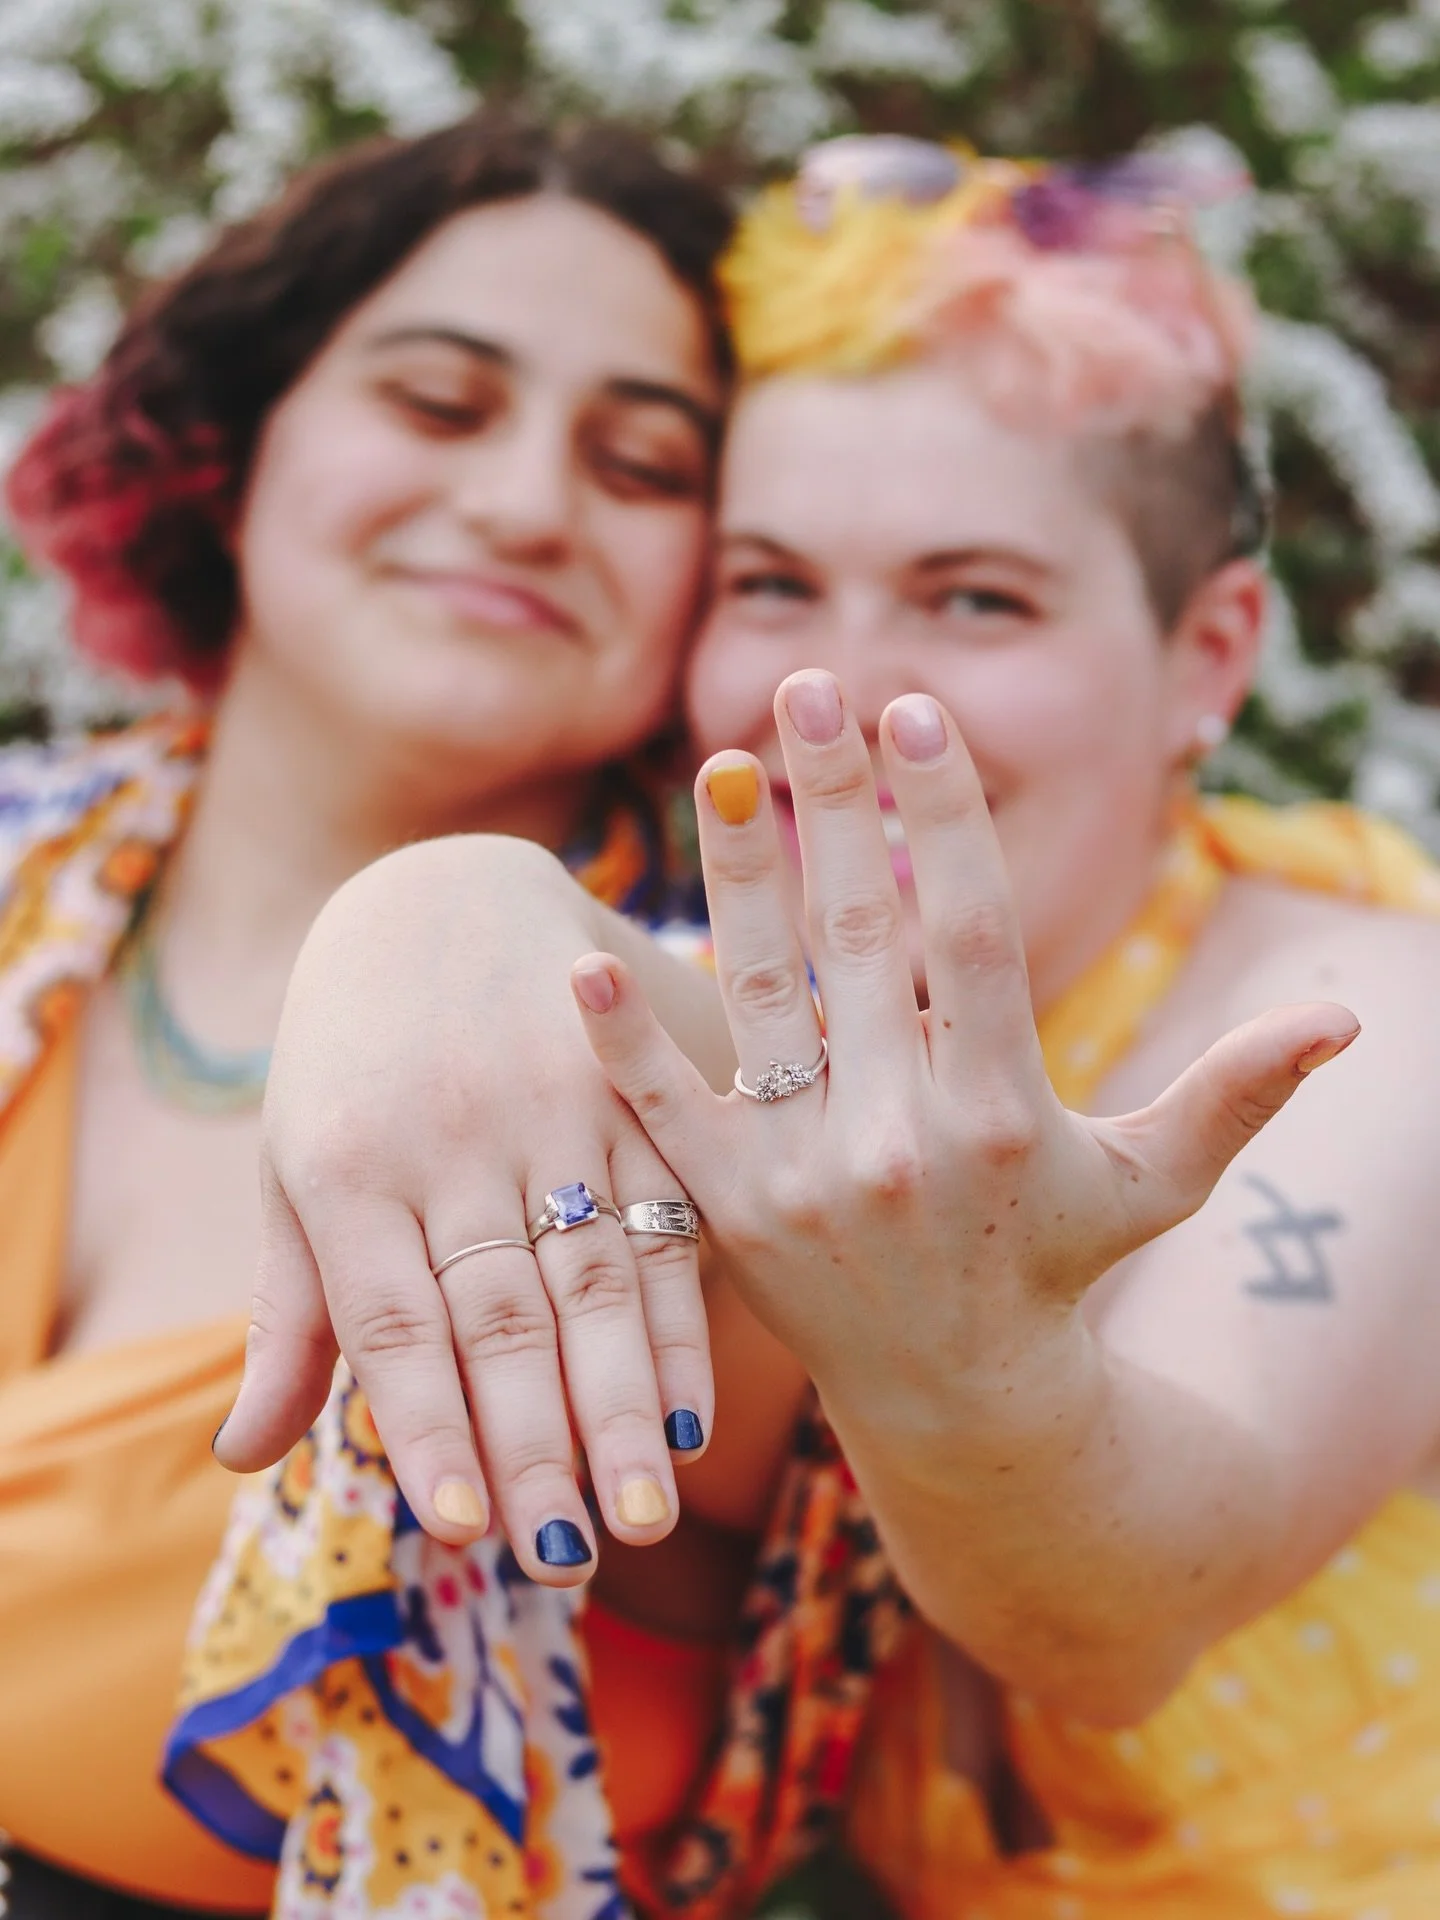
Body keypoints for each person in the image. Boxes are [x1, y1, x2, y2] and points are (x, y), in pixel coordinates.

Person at [181, 141, 1440, 1919]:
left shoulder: (1361, 1011)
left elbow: (1131, 1609)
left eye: (977, 596)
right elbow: (652, 1023)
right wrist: (438, 910)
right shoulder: (794, 993)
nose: (830, 693)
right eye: (770, 584)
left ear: (1214, 655)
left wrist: (969, 1364)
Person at [0, 109, 740, 1916]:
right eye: (437, 403)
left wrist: (481, 913)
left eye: (644, 463)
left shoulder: (707, 1046)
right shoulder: (28, 872)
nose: (523, 504)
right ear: (229, 443)